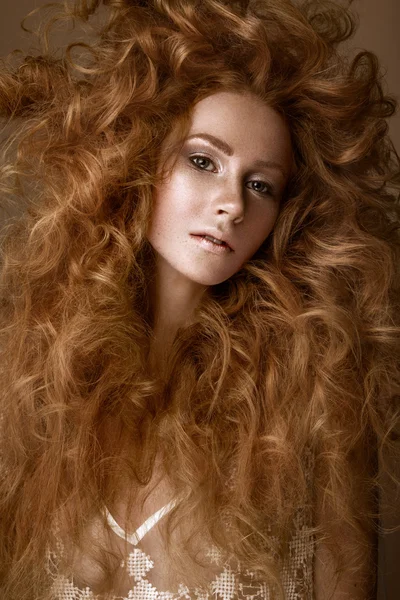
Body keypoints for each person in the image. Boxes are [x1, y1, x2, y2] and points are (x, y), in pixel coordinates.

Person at [0, 0, 399, 598]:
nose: (233, 203)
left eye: (260, 184)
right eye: (203, 160)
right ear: (137, 160)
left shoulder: (318, 395)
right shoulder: (27, 376)